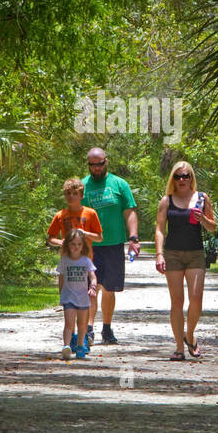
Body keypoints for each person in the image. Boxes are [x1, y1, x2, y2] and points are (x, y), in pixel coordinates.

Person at [154, 160, 216, 361]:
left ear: (191, 178)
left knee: (196, 299)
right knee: (177, 302)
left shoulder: (201, 198)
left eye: (185, 176)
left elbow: (213, 227)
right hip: (173, 253)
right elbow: (160, 229)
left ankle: (189, 335)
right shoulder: (166, 201)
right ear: (173, 179)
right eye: (177, 176)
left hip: (195, 254)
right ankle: (179, 348)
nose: (181, 180)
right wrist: (159, 253)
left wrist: (203, 220)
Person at [81, 147, 139, 345]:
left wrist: (133, 238)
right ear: (88, 165)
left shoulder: (119, 184)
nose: (96, 168)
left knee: (109, 288)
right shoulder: (82, 186)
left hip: (113, 244)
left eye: (100, 164)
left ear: (106, 162)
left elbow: (129, 212)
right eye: (92, 165)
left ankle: (106, 327)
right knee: (91, 287)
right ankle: (88, 329)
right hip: (89, 246)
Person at [47, 177, 102, 353]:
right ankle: (70, 340)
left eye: (75, 194)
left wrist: (86, 233)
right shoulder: (60, 215)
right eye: (68, 194)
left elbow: (100, 237)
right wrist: (62, 242)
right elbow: (51, 238)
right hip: (69, 262)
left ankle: (83, 338)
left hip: (86, 261)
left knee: (87, 299)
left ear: (81, 195)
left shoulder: (90, 213)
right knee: (69, 300)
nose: (71, 197)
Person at [56, 229, 98, 360]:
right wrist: (61, 294)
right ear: (67, 244)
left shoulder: (86, 261)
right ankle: (66, 346)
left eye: (79, 244)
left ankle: (80, 346)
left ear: (83, 246)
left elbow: (93, 276)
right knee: (69, 323)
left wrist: (92, 287)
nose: (76, 247)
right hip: (68, 297)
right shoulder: (64, 260)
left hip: (83, 298)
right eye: (73, 244)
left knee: (82, 324)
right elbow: (61, 279)